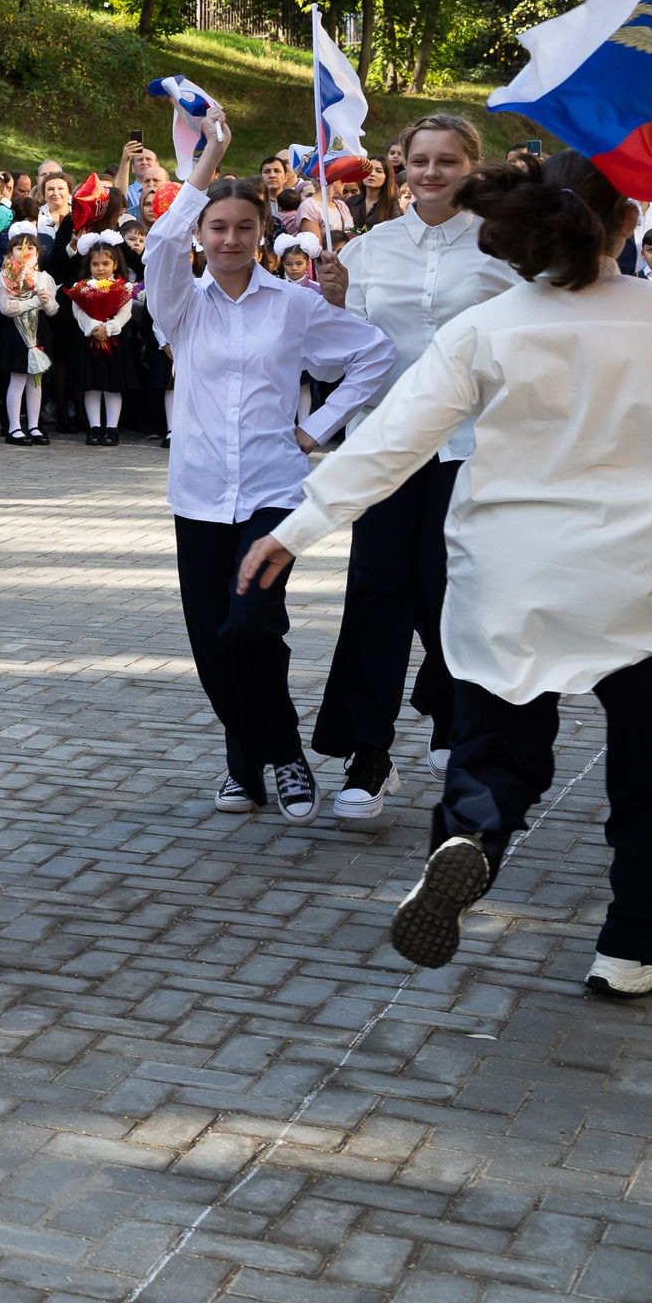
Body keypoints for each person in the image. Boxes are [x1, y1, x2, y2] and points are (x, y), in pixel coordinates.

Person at [236, 150, 652, 992]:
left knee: (497, 744)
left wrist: (298, 527)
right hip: (640, 573)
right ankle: (629, 947)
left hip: (512, 572)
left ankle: (472, 833)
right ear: (629, 219)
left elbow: (394, 439)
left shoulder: (488, 325)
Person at [145, 104, 391, 822]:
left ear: (263, 232)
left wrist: (317, 428)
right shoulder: (178, 304)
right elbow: (160, 244)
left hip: (273, 489)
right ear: (202, 233)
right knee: (212, 642)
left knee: (250, 624)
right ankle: (247, 761)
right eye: (216, 227)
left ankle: (278, 754)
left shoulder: (292, 304)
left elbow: (372, 353)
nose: (229, 238)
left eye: (243, 227)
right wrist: (207, 162)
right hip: (196, 494)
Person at [307, 114, 518, 817]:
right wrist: (334, 304)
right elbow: (346, 358)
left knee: (445, 584)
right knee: (376, 586)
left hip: (469, 443)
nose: (430, 173)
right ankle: (368, 753)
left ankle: (446, 702)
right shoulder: (367, 250)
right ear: (399, 164)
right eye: (418, 160)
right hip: (388, 442)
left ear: (471, 165)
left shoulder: (504, 248)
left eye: (446, 161)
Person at [65, 235, 140, 446]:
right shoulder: (82, 287)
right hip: (90, 340)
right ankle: (94, 427)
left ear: (115, 264)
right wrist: (93, 327)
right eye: (95, 264)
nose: (101, 268)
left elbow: (125, 312)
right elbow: (78, 311)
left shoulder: (123, 287)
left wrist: (108, 328)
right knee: (92, 386)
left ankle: (112, 428)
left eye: (106, 264)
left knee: (112, 386)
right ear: (88, 265)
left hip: (114, 340)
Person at [0, 231, 57, 445]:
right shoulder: (4, 278)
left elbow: (53, 310)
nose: (25, 252)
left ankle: (34, 425)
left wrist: (46, 301)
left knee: (35, 380)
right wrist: (34, 302)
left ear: (37, 254)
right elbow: (7, 308)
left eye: (30, 248)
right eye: (19, 248)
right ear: (10, 255)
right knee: (18, 378)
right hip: (16, 332)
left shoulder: (44, 278)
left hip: (38, 330)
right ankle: (14, 427)